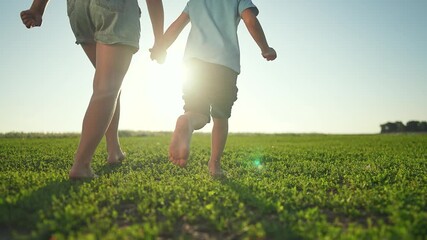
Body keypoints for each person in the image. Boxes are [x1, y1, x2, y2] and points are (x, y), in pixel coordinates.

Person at [21, 0, 164, 179]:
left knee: (108, 83)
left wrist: (37, 8)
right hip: (113, 7)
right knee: (107, 87)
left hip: (78, 9)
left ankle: (114, 150)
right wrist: (160, 38)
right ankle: (81, 165)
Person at [150, 0, 277, 177]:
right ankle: (214, 165)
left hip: (194, 65)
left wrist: (160, 47)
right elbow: (250, 20)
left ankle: (188, 120)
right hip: (224, 65)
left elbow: (177, 26)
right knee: (221, 117)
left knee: (197, 113)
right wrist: (265, 48)